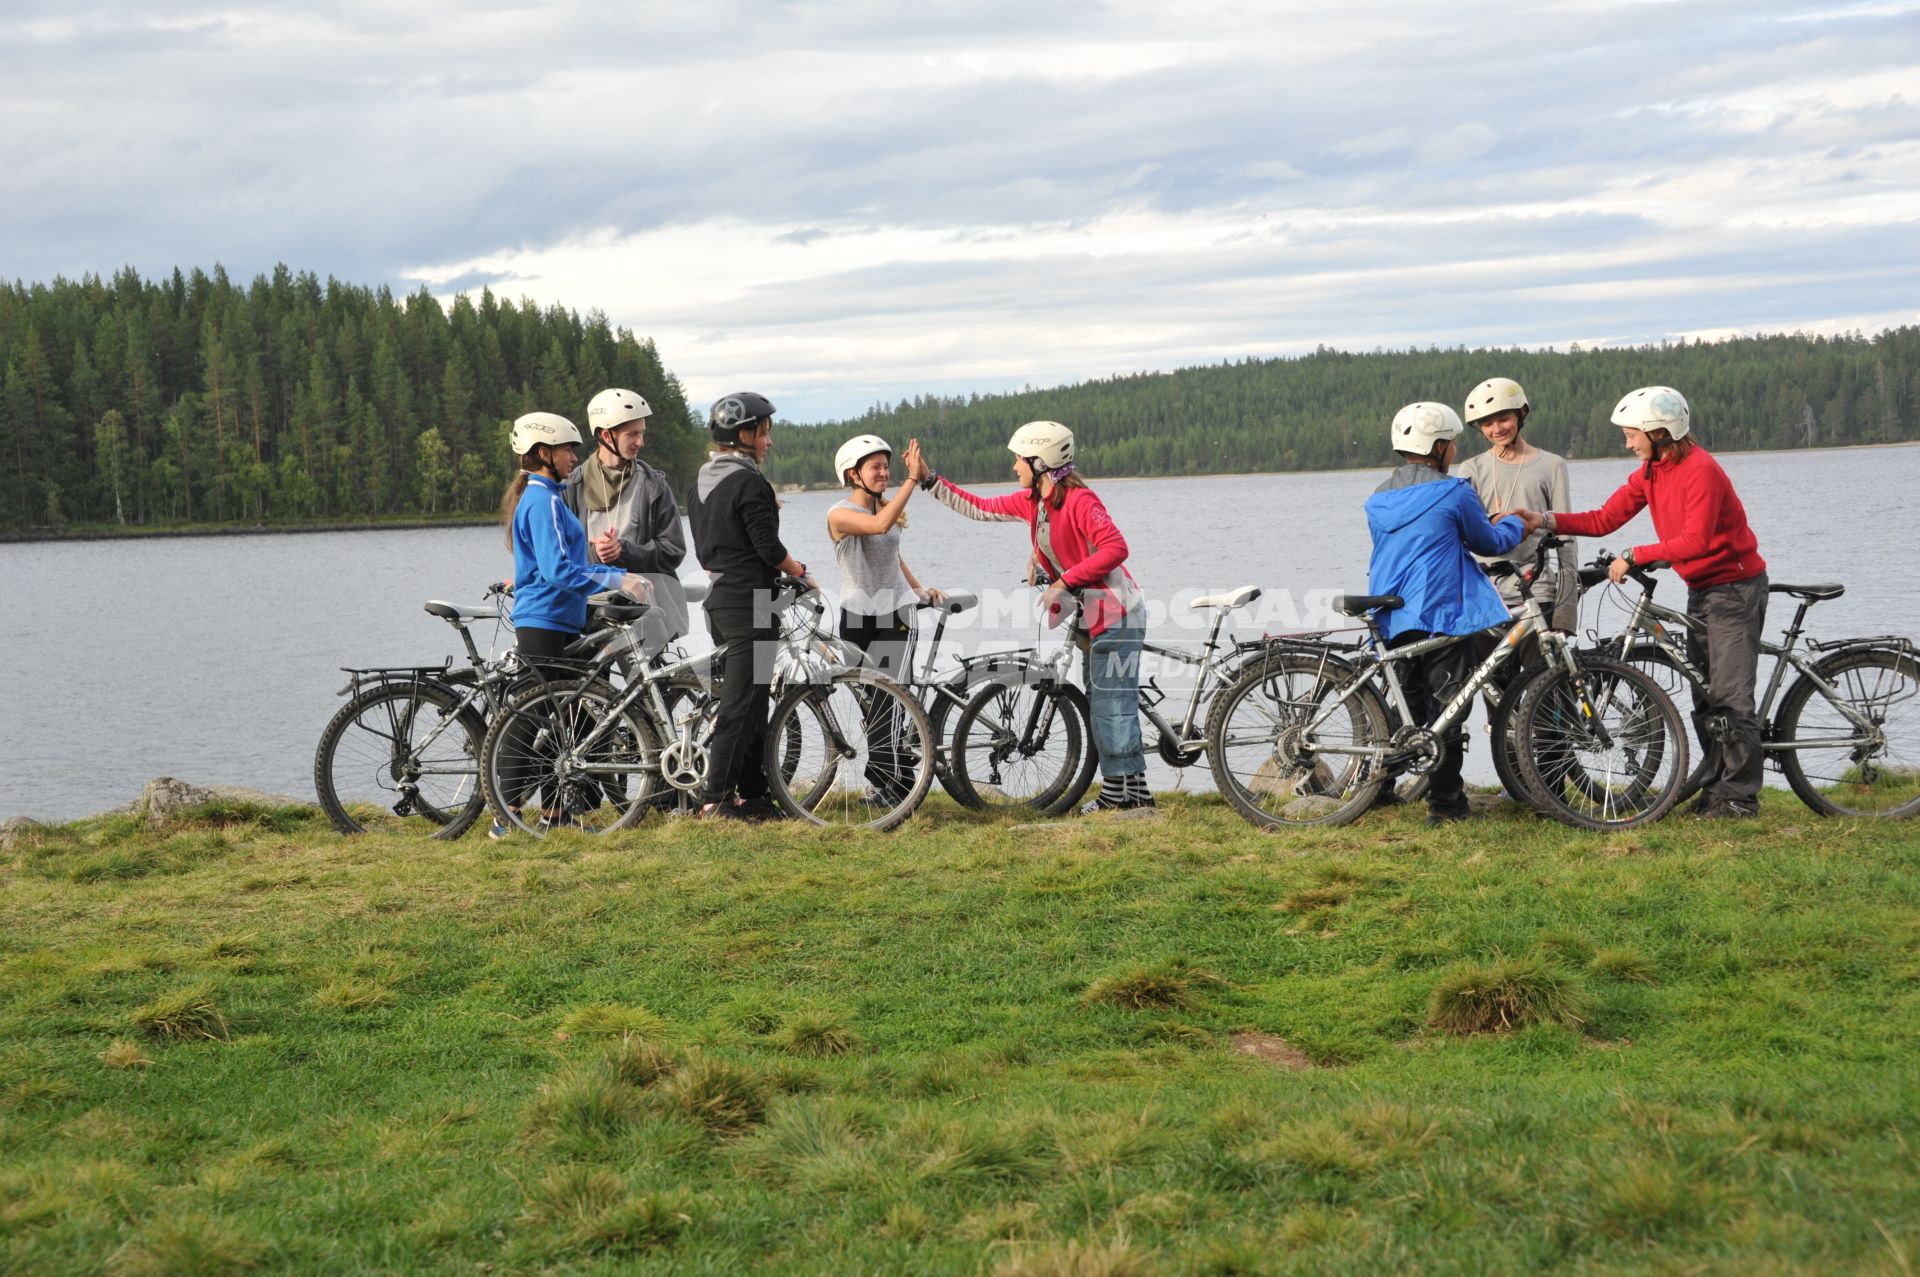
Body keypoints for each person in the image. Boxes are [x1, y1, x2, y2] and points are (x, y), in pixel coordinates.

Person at [1513, 386, 1768, 819]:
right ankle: (1716, 789)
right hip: (1703, 590)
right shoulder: (1652, 471)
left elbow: (1697, 540)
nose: (1628, 443)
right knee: (1705, 696)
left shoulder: (1701, 470)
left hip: (1735, 589)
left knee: (1730, 697)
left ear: (1661, 433)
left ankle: (1740, 798)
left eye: (1633, 434)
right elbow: (1604, 518)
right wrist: (1545, 520)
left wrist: (1635, 555)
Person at [909, 421, 1153, 814]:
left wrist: (1065, 580)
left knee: (1112, 705)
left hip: (1117, 615)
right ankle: (1126, 792)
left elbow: (1115, 548)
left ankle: (1132, 799)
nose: (1014, 467)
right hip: (1092, 617)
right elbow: (980, 508)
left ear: (1041, 462)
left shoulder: (1081, 501)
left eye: (1018, 460)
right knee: (1105, 702)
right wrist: (929, 481)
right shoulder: (1034, 502)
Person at [1365, 402, 1527, 824]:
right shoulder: (1454, 492)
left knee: (1406, 709)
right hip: (1440, 610)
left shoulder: (1378, 497)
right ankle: (1447, 807)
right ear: (1439, 447)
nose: (1456, 448)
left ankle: (1378, 790)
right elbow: (1488, 542)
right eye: (1452, 441)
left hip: (1391, 612)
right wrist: (1516, 524)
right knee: (1448, 710)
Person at [498, 411, 653, 835]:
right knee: (530, 718)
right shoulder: (542, 498)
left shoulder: (547, 496)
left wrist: (599, 559)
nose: (573, 457)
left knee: (574, 720)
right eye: (568, 449)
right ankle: (504, 817)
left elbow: (560, 559)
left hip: (560, 619)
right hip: (545, 621)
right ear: (544, 452)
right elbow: (556, 570)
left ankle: (557, 815)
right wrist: (618, 577)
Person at [686, 392, 815, 821]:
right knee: (741, 703)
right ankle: (715, 800)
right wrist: (800, 570)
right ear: (744, 435)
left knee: (755, 700)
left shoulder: (701, 483)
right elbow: (767, 546)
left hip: (723, 600)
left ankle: (754, 794)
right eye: (764, 433)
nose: (769, 442)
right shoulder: (749, 481)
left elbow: (706, 554)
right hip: (751, 604)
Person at [828, 434, 945, 803]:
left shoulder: (887, 510)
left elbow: (892, 554)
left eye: (886, 465)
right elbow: (878, 527)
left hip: (895, 615)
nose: (884, 472)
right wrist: (912, 480)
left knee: (890, 701)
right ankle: (896, 778)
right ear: (853, 474)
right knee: (871, 705)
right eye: (875, 467)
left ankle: (891, 786)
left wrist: (919, 588)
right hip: (855, 619)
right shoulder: (839, 513)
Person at [562, 387, 690, 656]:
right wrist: (594, 552)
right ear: (607, 435)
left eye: (642, 433)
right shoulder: (572, 486)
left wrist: (624, 550)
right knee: (592, 693)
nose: (640, 441)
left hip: (645, 610)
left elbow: (674, 551)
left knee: (651, 694)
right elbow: (558, 553)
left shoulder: (654, 485)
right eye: (632, 434)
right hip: (588, 610)